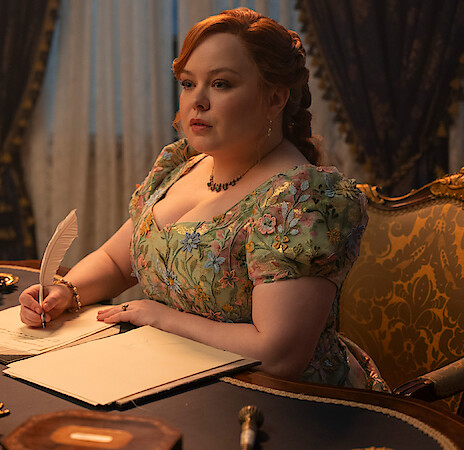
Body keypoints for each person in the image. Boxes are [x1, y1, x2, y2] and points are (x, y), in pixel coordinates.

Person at [19, 7, 384, 390]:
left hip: (283, 405)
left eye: (221, 84)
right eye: (188, 83)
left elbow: (278, 357)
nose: (198, 101)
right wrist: (66, 292)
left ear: (275, 97)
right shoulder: (181, 166)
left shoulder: (301, 201)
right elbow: (115, 260)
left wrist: (159, 317)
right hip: (171, 379)